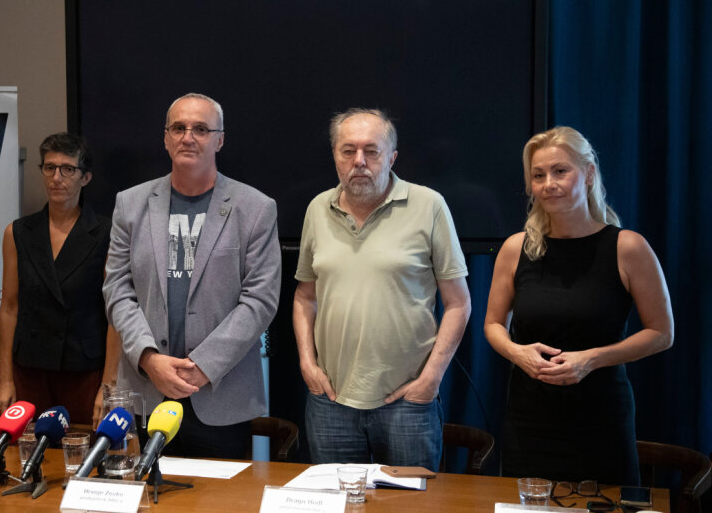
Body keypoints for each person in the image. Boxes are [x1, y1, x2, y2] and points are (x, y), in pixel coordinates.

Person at [484, 126, 673, 484]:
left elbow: (662, 333)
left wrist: (590, 359)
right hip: (529, 420)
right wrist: (517, 353)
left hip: (601, 418)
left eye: (560, 171)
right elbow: (493, 324)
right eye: (538, 175)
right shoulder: (514, 248)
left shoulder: (627, 247)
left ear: (588, 174)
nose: (548, 184)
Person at [102, 93, 281, 459]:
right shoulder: (130, 205)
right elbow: (117, 289)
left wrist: (204, 366)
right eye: (179, 128)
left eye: (201, 129)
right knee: (145, 489)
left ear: (220, 140)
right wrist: (148, 359)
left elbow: (260, 301)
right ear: (165, 138)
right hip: (146, 392)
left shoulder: (256, 208)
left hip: (219, 396)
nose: (188, 137)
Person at [292, 108, 470, 469]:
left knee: (410, 499)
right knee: (336, 499)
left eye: (371, 151)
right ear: (335, 156)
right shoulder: (317, 209)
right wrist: (307, 365)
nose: (359, 161)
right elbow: (305, 297)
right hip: (330, 400)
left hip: (407, 401)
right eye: (348, 150)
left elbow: (458, 303)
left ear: (392, 157)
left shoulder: (429, 206)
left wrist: (431, 379)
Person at [0, 133, 118, 425]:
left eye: (68, 169)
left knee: (84, 447)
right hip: (30, 369)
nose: (57, 178)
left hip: (84, 371)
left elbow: (116, 314)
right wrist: (5, 380)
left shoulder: (107, 233)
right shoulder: (18, 233)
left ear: (85, 177)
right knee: (28, 448)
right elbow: (9, 307)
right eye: (50, 168)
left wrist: (109, 385)